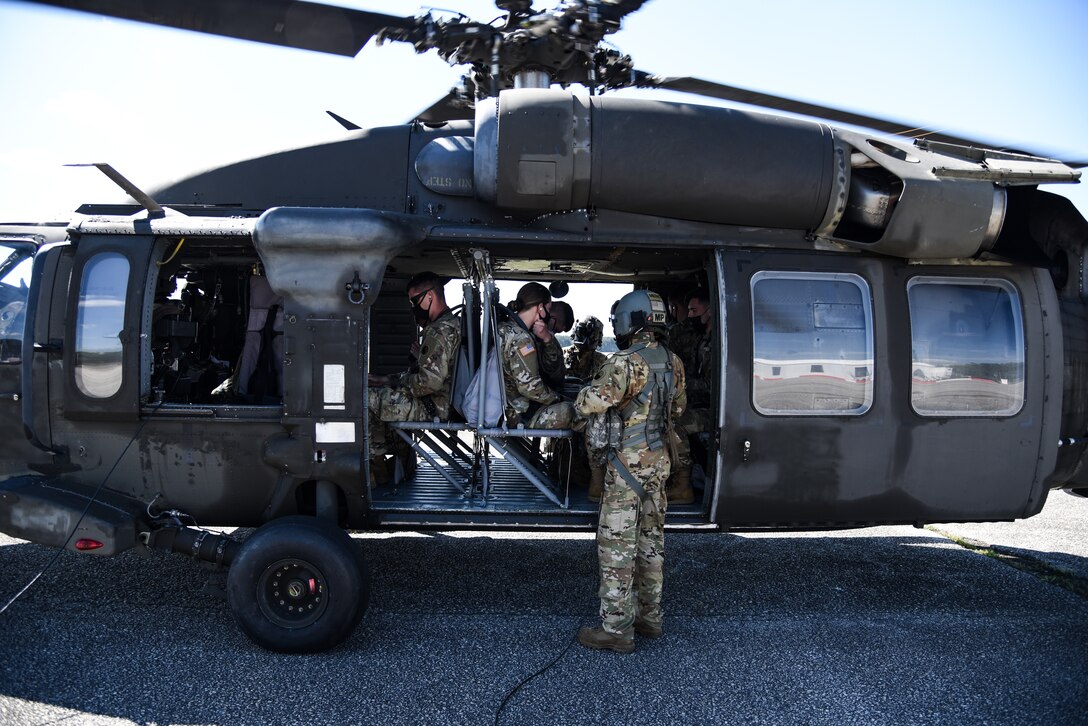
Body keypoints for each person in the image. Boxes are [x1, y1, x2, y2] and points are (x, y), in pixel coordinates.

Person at [574, 290, 686, 653]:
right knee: (651, 543)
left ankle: (616, 629)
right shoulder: (673, 361)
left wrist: (581, 395)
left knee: (616, 547)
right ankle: (650, 619)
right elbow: (679, 409)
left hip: (627, 468)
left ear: (629, 322)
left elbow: (592, 401)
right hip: (661, 463)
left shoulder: (623, 362)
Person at [367, 271, 462, 461]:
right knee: (386, 396)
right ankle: (401, 463)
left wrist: (395, 382)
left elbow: (428, 384)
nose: (413, 307)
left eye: (414, 301)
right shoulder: (454, 324)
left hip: (436, 407)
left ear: (429, 296)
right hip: (447, 403)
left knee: (365, 399)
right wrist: (390, 380)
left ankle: (377, 465)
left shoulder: (438, 331)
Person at [497, 282, 574, 429]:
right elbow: (530, 387)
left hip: (505, 406)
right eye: (548, 308)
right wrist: (560, 399)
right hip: (518, 412)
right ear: (540, 307)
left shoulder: (504, 327)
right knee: (577, 411)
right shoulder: (522, 339)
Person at [667, 287, 715, 503]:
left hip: (713, 409)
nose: (691, 316)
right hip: (698, 403)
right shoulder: (701, 339)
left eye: (695, 311)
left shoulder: (716, 342)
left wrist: (682, 387)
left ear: (710, 311)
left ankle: (682, 485)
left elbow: (712, 384)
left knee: (677, 423)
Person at [537, 299, 574, 388]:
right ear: (552, 316)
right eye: (555, 329)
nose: (554, 333)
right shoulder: (527, 337)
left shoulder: (550, 338)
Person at [565, 315, 607, 382]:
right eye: (582, 332)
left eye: (592, 335)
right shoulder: (562, 354)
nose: (585, 339)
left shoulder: (602, 360)